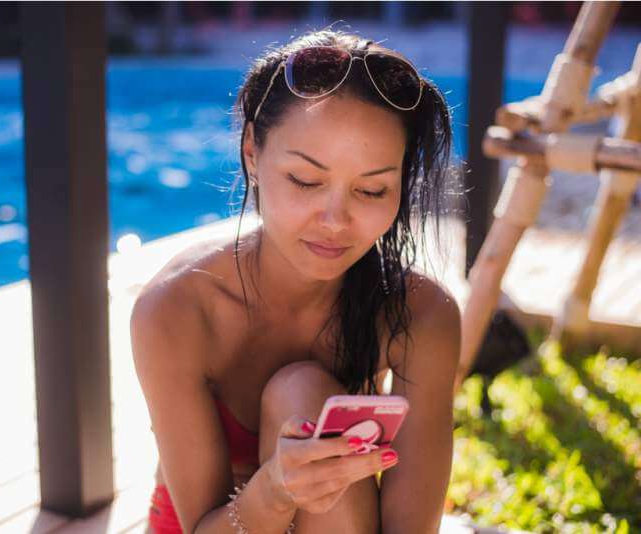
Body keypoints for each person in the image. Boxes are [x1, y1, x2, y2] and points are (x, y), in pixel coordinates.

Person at [131, 28, 460, 534]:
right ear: (252, 154)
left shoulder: (421, 314)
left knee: (300, 390)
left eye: (372, 190)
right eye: (306, 181)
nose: (335, 220)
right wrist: (277, 488)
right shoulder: (177, 308)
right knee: (302, 394)